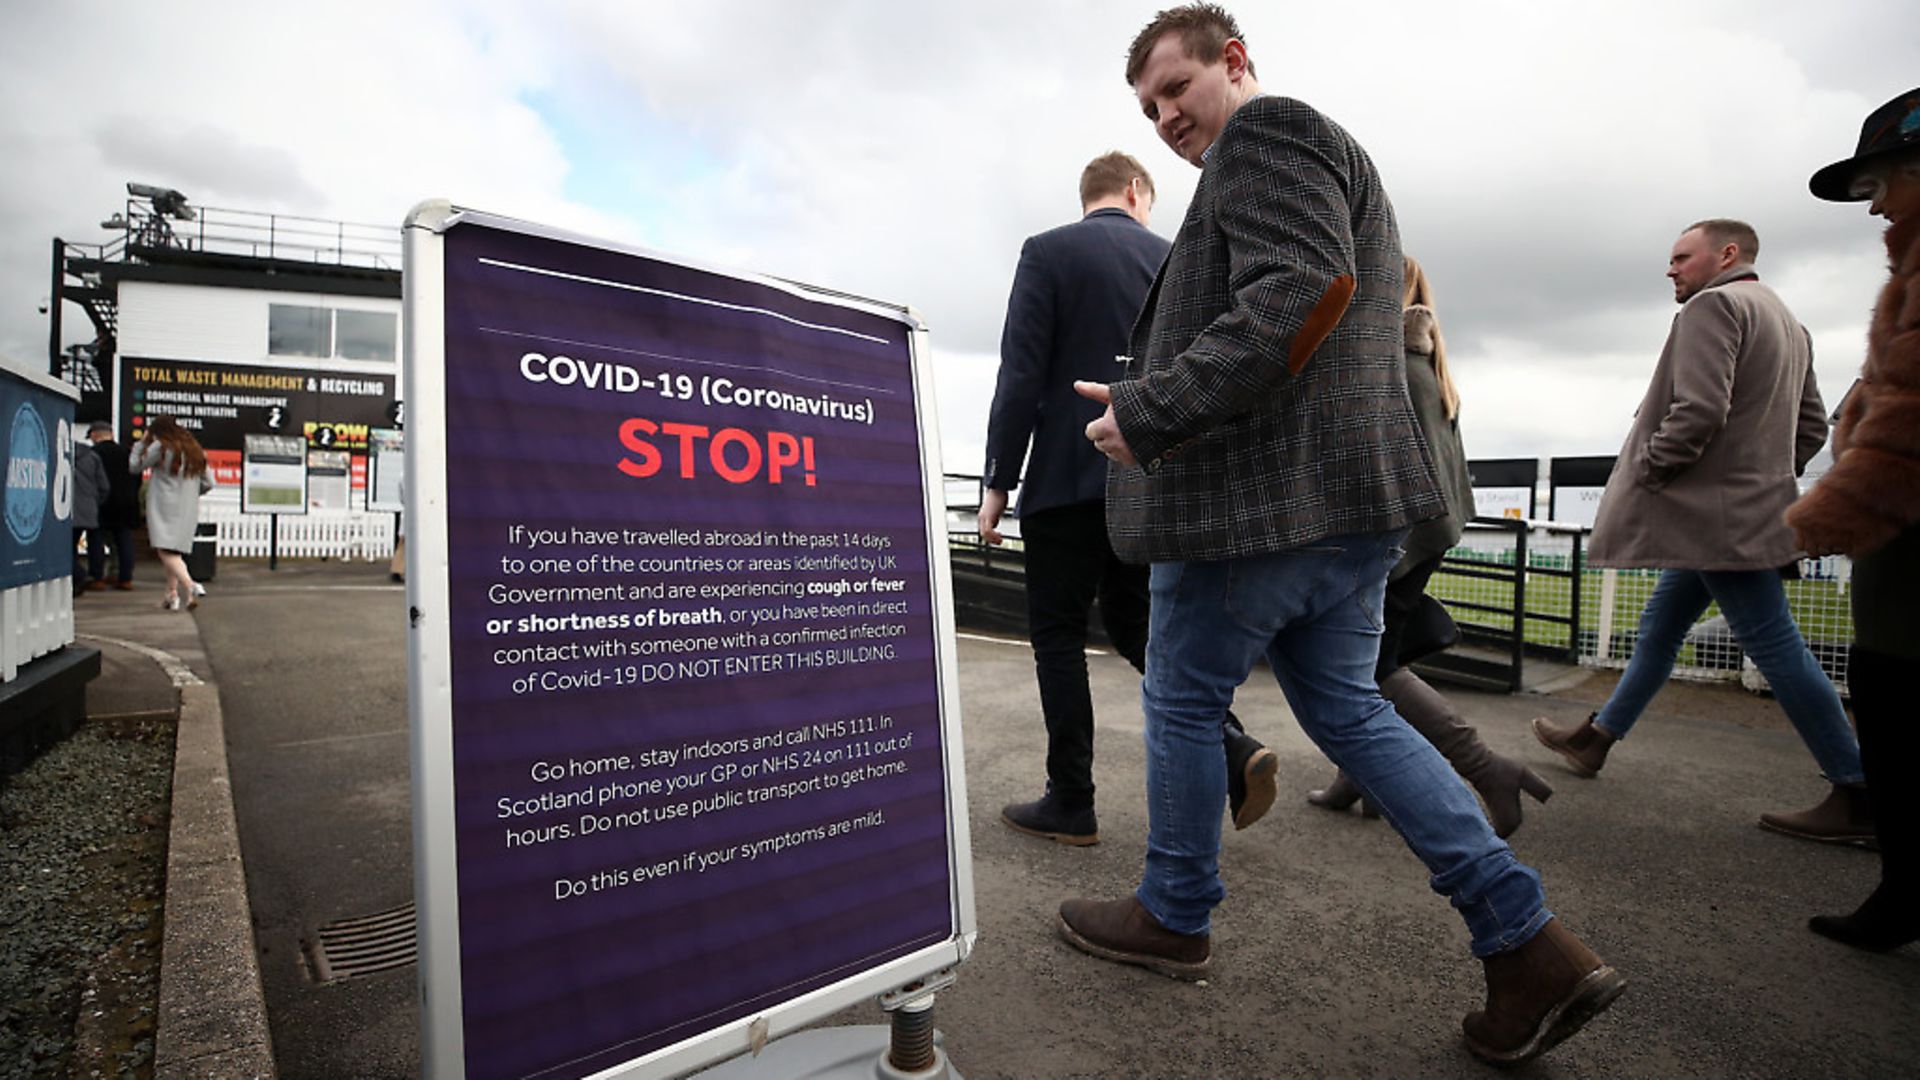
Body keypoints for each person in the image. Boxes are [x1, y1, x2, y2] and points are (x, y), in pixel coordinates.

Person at [1057, 5, 1622, 1065]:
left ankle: (1174, 914)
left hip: (1258, 512)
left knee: (1182, 698)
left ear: (1235, 62)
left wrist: (1151, 409)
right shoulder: (1313, 154)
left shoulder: (1268, 135)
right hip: (1345, 508)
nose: (1166, 116)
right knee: (1354, 713)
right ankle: (1529, 941)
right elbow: (1311, 299)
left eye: (1176, 89)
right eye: (1147, 108)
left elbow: (1300, 291)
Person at [1531, 220, 1870, 845]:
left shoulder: (1715, 306)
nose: (1672, 269)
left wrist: (1654, 466)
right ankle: (1596, 738)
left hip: (1713, 519)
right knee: (1661, 627)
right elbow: (1814, 426)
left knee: (1772, 643)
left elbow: (1699, 410)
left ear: (1728, 255)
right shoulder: (1788, 321)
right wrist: (1763, 474)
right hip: (1745, 511)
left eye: (1682, 257)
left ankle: (1857, 789)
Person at [981, 151, 1277, 845]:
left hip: (1063, 477)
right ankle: (1233, 747)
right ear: (1137, 191)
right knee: (1146, 633)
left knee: (1057, 636)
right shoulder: (1176, 258)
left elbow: (1020, 373)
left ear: (1087, 195)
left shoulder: (1046, 253)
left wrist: (999, 480)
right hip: (1152, 476)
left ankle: (1072, 800)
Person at [1304, 256, 1553, 838]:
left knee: (1370, 670)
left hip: (1396, 543)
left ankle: (1488, 768)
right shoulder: (1428, 362)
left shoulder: (1393, 365)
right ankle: (1358, 777)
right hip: (1422, 537)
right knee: (1363, 664)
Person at [1787, 87, 1920, 951]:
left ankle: (1903, 892)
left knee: (1899, 699)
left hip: (1907, 544)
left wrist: (1822, 516)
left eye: (1880, 180)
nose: (1871, 201)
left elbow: (1910, 415)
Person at [130, 417, 213, 612]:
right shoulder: (195, 449)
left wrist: (142, 443)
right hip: (187, 507)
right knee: (174, 550)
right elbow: (210, 482)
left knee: (164, 550)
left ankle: (191, 584)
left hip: (163, 504)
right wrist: (192, 493)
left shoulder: (161, 447)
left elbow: (134, 466)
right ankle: (171, 595)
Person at [86, 420, 140, 590]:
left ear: (94, 435)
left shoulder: (92, 454)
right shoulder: (127, 453)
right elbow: (137, 477)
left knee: (96, 540)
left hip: (100, 502)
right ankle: (125, 578)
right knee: (124, 540)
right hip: (126, 503)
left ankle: (97, 578)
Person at [70, 434, 109, 598]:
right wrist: (96, 501)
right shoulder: (93, 457)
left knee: (66, 547)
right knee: (95, 543)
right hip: (89, 506)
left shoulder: (59, 454)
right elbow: (104, 486)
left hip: (66, 507)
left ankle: (78, 574)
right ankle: (96, 576)